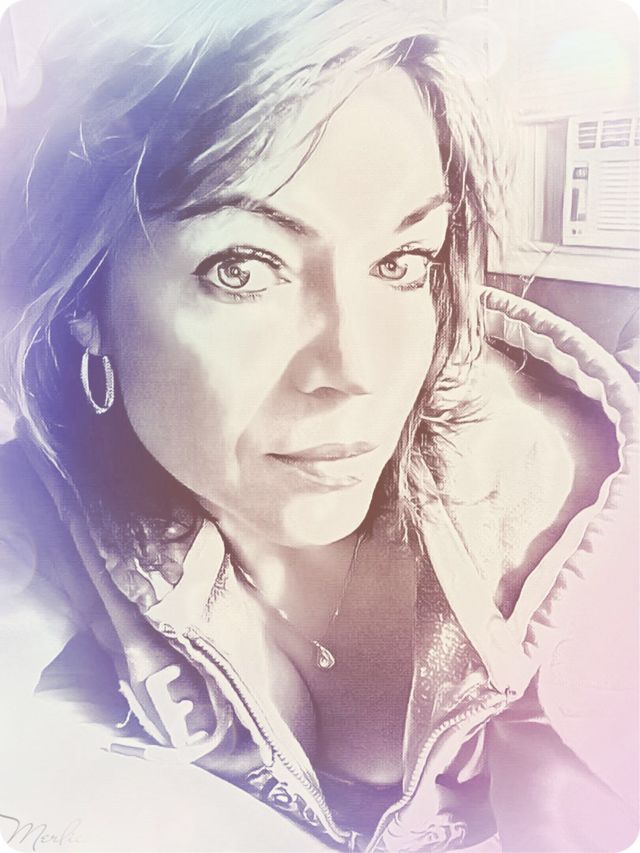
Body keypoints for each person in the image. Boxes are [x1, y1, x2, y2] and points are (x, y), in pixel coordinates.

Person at [0, 1, 637, 850]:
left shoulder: (575, 544)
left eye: (401, 262)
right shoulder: (69, 484)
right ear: (83, 301)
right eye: (242, 268)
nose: (358, 369)